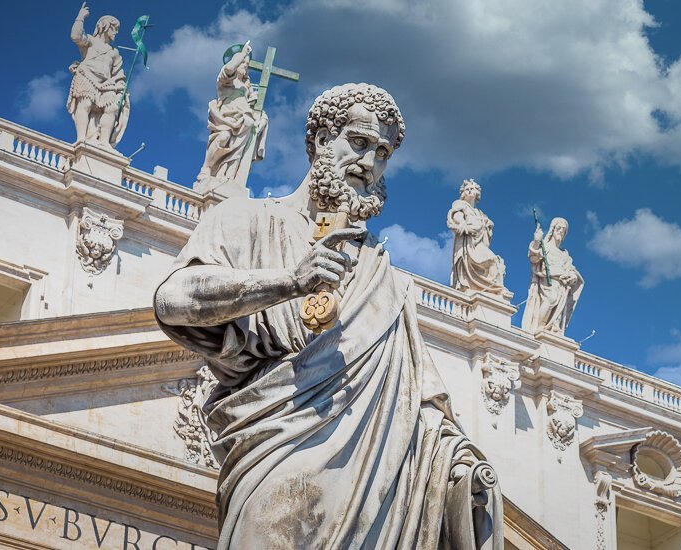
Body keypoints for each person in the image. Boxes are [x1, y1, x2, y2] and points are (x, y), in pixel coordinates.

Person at [154, 83, 501, 549]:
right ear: (319, 139)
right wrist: (288, 281)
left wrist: (458, 468)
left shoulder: (386, 280)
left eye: (382, 153)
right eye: (359, 143)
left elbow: (421, 402)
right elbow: (173, 300)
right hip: (273, 465)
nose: (370, 163)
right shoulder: (246, 219)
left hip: (371, 495)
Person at [193, 42, 269, 196]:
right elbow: (228, 69)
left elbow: (254, 107)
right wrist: (242, 54)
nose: (245, 66)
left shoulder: (247, 87)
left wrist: (262, 118)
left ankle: (228, 178)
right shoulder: (226, 81)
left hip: (244, 122)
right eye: (243, 63)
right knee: (223, 137)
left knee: (237, 153)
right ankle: (207, 168)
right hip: (226, 118)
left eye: (247, 64)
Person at [68, 2, 129, 148]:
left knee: (112, 109)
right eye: (114, 28)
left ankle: (104, 142)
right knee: (85, 104)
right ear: (105, 26)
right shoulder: (90, 41)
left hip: (106, 84)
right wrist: (80, 18)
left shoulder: (114, 53)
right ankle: (81, 138)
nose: (116, 32)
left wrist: (121, 87)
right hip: (87, 76)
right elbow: (75, 36)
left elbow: (118, 73)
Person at [520, 217, 583, 334]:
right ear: (552, 229)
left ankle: (552, 329)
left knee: (558, 310)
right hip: (548, 281)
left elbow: (571, 269)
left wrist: (572, 276)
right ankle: (538, 327)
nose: (560, 231)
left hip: (562, 285)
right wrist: (537, 241)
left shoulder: (564, 254)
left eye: (563, 230)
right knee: (551, 299)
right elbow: (534, 258)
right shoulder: (545, 246)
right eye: (559, 228)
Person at [447, 179, 506, 294]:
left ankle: (493, 290)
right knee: (491, 261)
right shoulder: (460, 204)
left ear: (477, 193)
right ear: (463, 193)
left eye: (472, 189)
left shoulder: (480, 213)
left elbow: (485, 233)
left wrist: (487, 226)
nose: (469, 190)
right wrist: (461, 223)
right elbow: (456, 214)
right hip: (468, 243)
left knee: (494, 262)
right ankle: (481, 289)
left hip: (478, 243)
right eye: (467, 189)